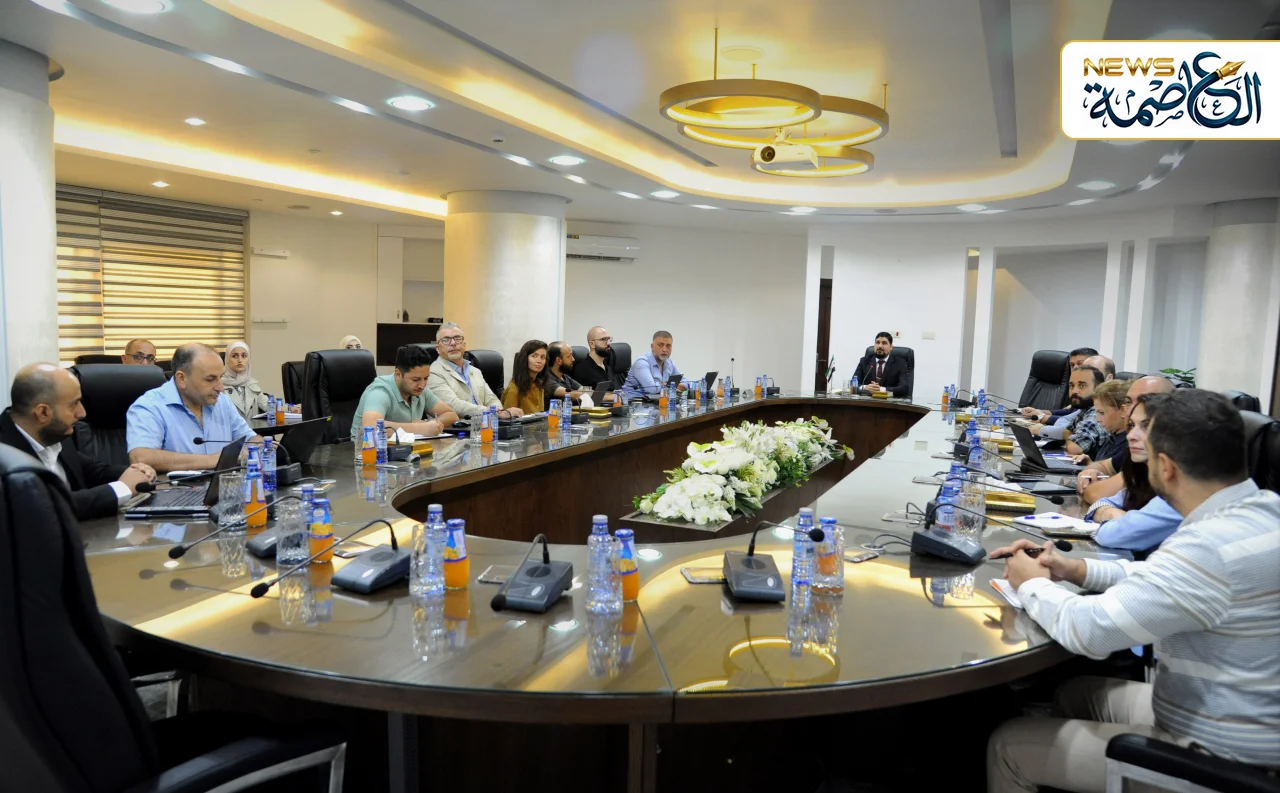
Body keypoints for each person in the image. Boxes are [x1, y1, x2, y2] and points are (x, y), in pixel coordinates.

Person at [986, 390, 1280, 793]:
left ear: (1166, 467)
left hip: (1222, 756)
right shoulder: (1264, 508)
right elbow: (1162, 577)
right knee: (1074, 694)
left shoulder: (1206, 547)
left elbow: (1089, 631)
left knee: (1008, 745)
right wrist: (1075, 569)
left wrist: (1030, 582)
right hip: (1251, 719)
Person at [1, 363, 154, 519]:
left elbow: (94, 471)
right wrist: (122, 488)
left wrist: (137, 472)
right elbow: (44, 507)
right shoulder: (4, 454)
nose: (82, 413)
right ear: (43, 412)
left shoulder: (54, 433)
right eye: (74, 404)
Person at [127, 343, 260, 472]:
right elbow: (141, 457)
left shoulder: (222, 401)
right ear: (182, 379)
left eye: (220, 377)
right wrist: (214, 460)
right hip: (178, 487)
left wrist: (254, 448)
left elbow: (252, 439)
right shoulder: (150, 406)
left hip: (224, 484)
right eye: (210, 379)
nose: (220, 387)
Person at [1086, 396, 1182, 551]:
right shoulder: (1142, 474)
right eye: (1131, 425)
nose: (1130, 435)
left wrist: (1119, 520)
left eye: (1146, 426)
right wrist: (1113, 514)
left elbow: (1110, 535)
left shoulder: (1178, 494)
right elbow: (1101, 503)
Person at [1077, 376, 1175, 502]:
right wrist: (1091, 471)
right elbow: (1104, 467)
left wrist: (1104, 509)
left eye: (1145, 401)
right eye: (1129, 402)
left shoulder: (1165, 455)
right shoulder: (1136, 448)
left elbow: (1095, 494)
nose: (1132, 410)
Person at [350, 344, 458, 443]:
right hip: (363, 452)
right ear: (398, 374)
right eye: (415, 379)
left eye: (426, 378)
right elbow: (371, 425)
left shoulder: (420, 390)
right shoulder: (380, 391)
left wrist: (429, 424)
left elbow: (451, 415)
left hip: (403, 450)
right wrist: (420, 428)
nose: (422, 385)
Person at [427, 322, 523, 418]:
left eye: (457, 338)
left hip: (485, 423)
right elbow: (453, 405)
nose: (453, 343)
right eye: (445, 340)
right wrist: (491, 412)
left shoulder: (475, 371)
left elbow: (492, 399)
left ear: (464, 345)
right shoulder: (432, 373)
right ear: (438, 349)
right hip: (456, 425)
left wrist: (498, 412)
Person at [1020, 347, 1097, 422]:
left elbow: (1073, 421)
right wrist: (1040, 412)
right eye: (1072, 365)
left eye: (1080, 364)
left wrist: (1041, 417)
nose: (1075, 368)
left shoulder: (1097, 392)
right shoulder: (1076, 384)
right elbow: (1070, 411)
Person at [1069, 379, 1130, 466]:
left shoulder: (1129, 448)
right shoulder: (1112, 437)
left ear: (1123, 410)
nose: (1097, 419)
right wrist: (1090, 463)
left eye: (1101, 413)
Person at [622, 330, 682, 396]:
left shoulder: (669, 362)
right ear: (652, 346)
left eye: (668, 346)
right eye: (660, 345)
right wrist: (671, 386)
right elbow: (652, 389)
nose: (664, 349)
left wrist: (666, 385)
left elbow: (686, 383)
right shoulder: (642, 363)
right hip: (634, 400)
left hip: (656, 400)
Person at [221, 340, 268, 420]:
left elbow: (269, 406)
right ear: (227, 359)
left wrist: (287, 408)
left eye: (244, 356)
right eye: (235, 356)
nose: (240, 360)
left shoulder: (252, 384)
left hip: (253, 428)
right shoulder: (219, 386)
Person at [853, 332, 910, 397]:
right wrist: (865, 387)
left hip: (889, 401)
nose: (880, 346)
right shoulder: (864, 361)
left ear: (891, 347)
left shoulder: (900, 363)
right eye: (877, 342)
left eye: (884, 343)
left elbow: (904, 388)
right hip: (868, 400)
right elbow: (853, 384)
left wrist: (881, 389)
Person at [503, 340, 549, 415]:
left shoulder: (539, 385)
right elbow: (508, 418)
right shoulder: (514, 389)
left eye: (542, 357)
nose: (539, 361)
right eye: (534, 356)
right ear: (525, 358)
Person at [572, 326, 622, 390]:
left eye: (609, 339)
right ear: (592, 344)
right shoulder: (582, 370)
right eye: (603, 339)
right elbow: (583, 394)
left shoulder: (608, 367)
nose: (608, 343)